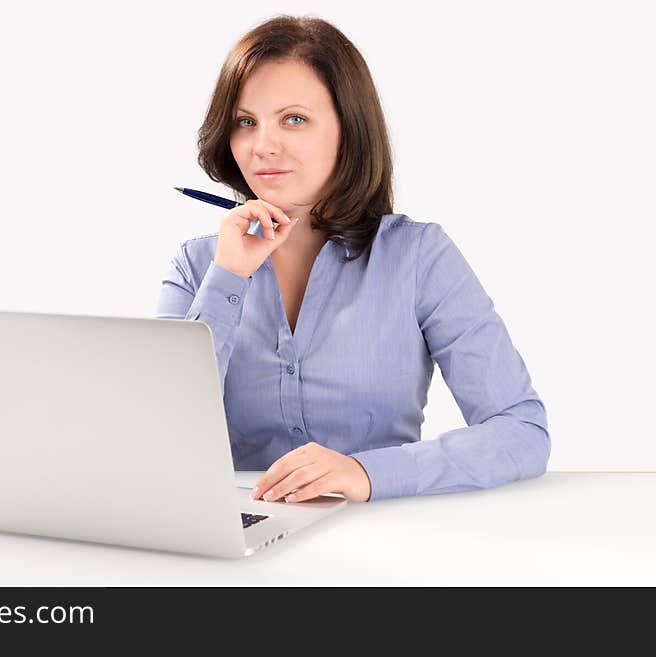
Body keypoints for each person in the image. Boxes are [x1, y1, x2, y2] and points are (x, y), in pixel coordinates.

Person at [156, 15, 550, 503]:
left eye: (294, 119)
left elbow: (520, 431)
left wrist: (367, 472)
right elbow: (157, 440)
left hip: (382, 540)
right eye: (245, 122)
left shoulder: (418, 257)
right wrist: (229, 276)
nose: (263, 146)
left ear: (349, 128)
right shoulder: (197, 268)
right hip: (239, 541)